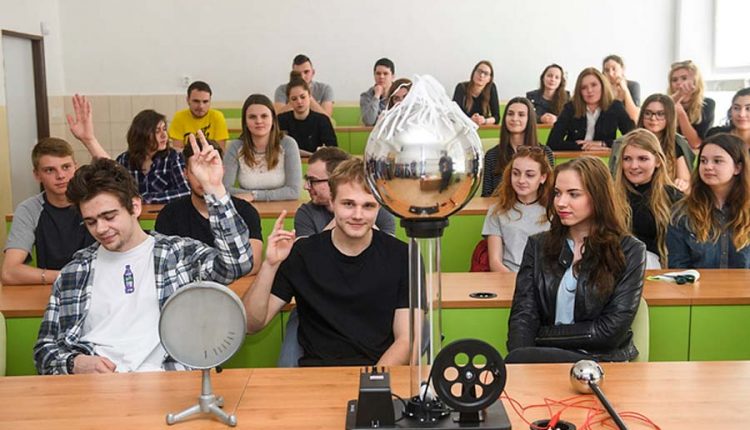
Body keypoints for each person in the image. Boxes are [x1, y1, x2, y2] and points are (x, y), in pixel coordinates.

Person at [33, 135, 253, 375]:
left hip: (168, 383)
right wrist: (74, 363)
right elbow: (44, 352)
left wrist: (214, 189)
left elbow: (238, 263)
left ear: (135, 207)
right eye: (91, 222)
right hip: (98, 389)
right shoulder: (75, 272)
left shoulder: (177, 254)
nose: (101, 229)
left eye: (109, 216)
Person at [243, 158, 409, 367]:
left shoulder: (402, 256)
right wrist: (270, 265)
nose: (358, 215)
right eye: (348, 204)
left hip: (379, 373)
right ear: (332, 202)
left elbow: (406, 340)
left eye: (368, 206)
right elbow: (251, 324)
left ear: (380, 206)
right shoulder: (302, 254)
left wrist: (372, 381)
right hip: (315, 375)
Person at [506, 156, 646, 363]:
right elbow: (523, 316)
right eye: (557, 193)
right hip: (543, 358)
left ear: (598, 197)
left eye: (573, 194)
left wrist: (541, 338)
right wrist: (523, 362)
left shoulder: (630, 250)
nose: (561, 203)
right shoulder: (537, 245)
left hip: (601, 361)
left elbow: (609, 331)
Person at [155, 139, 263, 275]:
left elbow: (254, 264)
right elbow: (164, 266)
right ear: (185, 173)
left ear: (222, 170)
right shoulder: (169, 214)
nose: (203, 178)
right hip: (189, 287)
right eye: (196, 171)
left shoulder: (246, 211)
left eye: (210, 169)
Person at [1, 138, 95, 285]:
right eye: (50, 170)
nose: (60, 176)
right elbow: (9, 272)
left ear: (75, 167)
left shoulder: (94, 201)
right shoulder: (29, 209)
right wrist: (67, 276)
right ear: (37, 175)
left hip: (98, 283)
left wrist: (89, 140)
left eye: (66, 167)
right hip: (54, 287)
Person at [67, 94, 191, 204]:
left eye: (164, 129)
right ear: (142, 134)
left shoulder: (173, 157)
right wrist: (89, 140)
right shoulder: (124, 159)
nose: (164, 135)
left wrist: (146, 198)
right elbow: (114, 185)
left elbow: (186, 191)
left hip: (165, 216)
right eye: (157, 131)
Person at [667, 133, 750, 268]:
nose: (708, 166)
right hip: (698, 282)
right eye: (703, 161)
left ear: (738, 167)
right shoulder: (681, 213)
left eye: (717, 161)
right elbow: (678, 267)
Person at [613, 129, 684, 269]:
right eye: (627, 159)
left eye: (642, 159)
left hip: (658, 269)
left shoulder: (673, 197)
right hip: (616, 267)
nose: (633, 166)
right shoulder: (610, 195)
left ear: (657, 161)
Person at [294, 146, 395, 237]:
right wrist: (340, 217)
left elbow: (388, 248)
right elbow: (308, 251)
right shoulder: (306, 213)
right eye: (348, 204)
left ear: (335, 179)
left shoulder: (378, 208)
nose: (306, 186)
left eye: (313, 181)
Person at [482, 146, 552, 272]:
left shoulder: (554, 211)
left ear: (543, 177)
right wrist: (517, 281)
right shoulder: (496, 211)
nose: (521, 180)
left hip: (544, 278)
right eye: (516, 173)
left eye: (529, 175)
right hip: (508, 278)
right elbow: (495, 262)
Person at [223, 94, 302, 202]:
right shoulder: (235, 147)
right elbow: (224, 189)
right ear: (245, 122)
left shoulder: (288, 144)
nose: (259, 121)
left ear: (273, 119)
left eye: (264, 116)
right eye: (252, 117)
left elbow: (294, 191)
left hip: (282, 207)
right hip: (246, 207)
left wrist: (254, 196)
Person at [610, 94, 693, 191]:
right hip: (627, 193)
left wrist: (681, 184)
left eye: (660, 114)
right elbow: (613, 179)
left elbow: (685, 181)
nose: (653, 118)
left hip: (664, 195)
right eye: (648, 113)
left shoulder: (677, 143)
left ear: (669, 116)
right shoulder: (624, 142)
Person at [547, 68, 635, 151]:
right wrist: (584, 147)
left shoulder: (615, 107)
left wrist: (603, 144)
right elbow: (552, 143)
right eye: (584, 87)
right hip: (575, 158)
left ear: (602, 86)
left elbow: (634, 138)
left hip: (604, 158)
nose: (589, 90)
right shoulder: (570, 108)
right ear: (579, 91)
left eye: (594, 85)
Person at [482, 97, 555, 197]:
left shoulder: (545, 152)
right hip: (501, 206)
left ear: (529, 119)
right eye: (510, 114)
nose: (514, 118)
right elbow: (486, 195)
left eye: (521, 115)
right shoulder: (492, 155)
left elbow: (549, 191)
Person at [277, 72, 338, 156]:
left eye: (303, 97)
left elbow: (333, 149)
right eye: (294, 99)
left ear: (309, 96)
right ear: (289, 100)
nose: (299, 101)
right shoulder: (280, 120)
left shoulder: (322, 120)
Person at [168, 81, 229, 150]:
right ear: (188, 100)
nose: (201, 106)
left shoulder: (217, 117)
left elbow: (220, 151)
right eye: (196, 101)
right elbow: (178, 150)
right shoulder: (179, 117)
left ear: (210, 101)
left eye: (205, 101)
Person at [668, 60, 715, 150]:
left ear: (695, 81)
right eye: (674, 80)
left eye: (684, 78)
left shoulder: (707, 104)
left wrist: (681, 113)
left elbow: (695, 143)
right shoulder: (666, 102)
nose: (678, 83)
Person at [452, 61, 500, 126]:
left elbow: (496, 117)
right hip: (463, 127)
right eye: (479, 71)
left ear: (489, 79)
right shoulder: (461, 87)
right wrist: (470, 120)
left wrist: (484, 121)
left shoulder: (491, 88)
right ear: (473, 73)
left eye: (486, 73)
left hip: (482, 128)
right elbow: (454, 115)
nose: (481, 75)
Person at [602, 55, 641, 122]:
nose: (610, 73)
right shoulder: (601, 89)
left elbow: (635, 117)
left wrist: (625, 90)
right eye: (607, 70)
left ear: (622, 69)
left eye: (614, 69)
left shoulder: (633, 86)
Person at [360, 58, 395, 126]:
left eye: (385, 74)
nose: (381, 77)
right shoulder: (366, 96)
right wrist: (376, 96)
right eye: (378, 73)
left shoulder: (400, 93)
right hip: (375, 132)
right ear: (374, 75)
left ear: (393, 76)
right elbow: (369, 121)